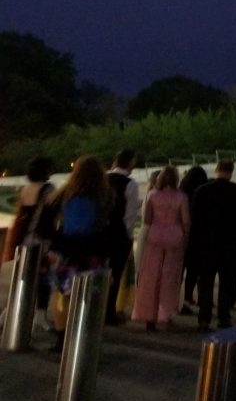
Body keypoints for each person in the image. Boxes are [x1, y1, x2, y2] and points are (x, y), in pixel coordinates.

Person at [48, 156, 112, 352]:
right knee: (89, 293)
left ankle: (61, 336)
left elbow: (52, 219)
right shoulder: (105, 195)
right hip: (92, 249)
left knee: (63, 294)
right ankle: (84, 337)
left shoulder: (65, 193)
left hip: (66, 248)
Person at [2, 157, 57, 332]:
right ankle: (40, 315)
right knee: (43, 278)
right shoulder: (49, 190)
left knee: (22, 276)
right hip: (42, 240)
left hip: (25, 239)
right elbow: (53, 216)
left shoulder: (25, 189)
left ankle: (9, 311)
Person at [132, 166, 189, 330]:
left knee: (150, 276)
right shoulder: (181, 197)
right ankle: (166, 314)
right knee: (170, 278)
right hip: (174, 237)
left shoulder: (152, 195)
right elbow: (186, 221)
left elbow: (147, 220)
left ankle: (149, 316)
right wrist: (185, 239)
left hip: (155, 236)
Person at [190, 160, 236, 331]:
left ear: (216, 170)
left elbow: (195, 220)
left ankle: (204, 317)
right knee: (227, 282)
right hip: (229, 244)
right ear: (231, 172)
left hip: (206, 243)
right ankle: (224, 316)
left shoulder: (202, 191)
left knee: (205, 282)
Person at [105, 149, 140, 326]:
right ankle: (109, 311)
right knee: (115, 275)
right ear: (130, 162)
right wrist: (127, 237)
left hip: (100, 231)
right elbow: (130, 215)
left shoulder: (104, 178)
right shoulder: (130, 184)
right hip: (119, 234)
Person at [178, 165, 208, 315]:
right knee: (193, 271)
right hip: (198, 236)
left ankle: (175, 300)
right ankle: (188, 298)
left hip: (181, 235)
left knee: (179, 270)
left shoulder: (182, 192)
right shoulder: (203, 192)